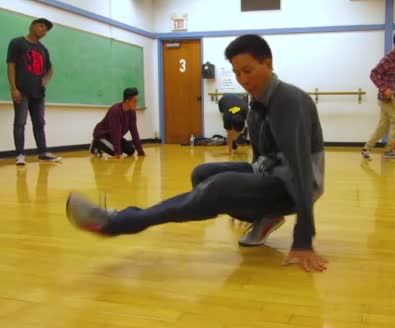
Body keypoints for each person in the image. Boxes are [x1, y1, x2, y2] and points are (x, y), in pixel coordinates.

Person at [66, 34, 328, 272]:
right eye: (237, 74)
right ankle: (265, 215)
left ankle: (117, 222)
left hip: (293, 186)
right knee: (202, 174)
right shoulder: (256, 101)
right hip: (271, 173)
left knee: (220, 187)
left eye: (248, 70)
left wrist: (303, 238)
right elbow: (259, 157)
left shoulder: (288, 101)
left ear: (268, 63)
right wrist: (249, 191)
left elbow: (302, 170)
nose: (243, 80)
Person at [7, 18, 62, 165]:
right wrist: (13, 88)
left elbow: (50, 69)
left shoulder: (43, 50)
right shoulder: (17, 43)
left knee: (39, 123)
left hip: (38, 93)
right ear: (32, 26)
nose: (43, 30)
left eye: (46, 29)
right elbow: (11, 65)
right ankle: (20, 155)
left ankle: (43, 153)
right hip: (21, 91)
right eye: (41, 26)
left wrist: (45, 80)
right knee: (20, 122)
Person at [362, 31, 395, 160]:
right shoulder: (388, 58)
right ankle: (389, 150)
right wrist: (384, 88)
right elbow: (373, 74)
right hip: (387, 98)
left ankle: (366, 148)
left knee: (383, 126)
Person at [89, 88, 145, 158]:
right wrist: (117, 153)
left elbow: (134, 131)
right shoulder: (115, 110)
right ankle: (96, 144)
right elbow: (115, 132)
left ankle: (111, 147)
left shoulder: (132, 112)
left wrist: (140, 151)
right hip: (102, 135)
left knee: (131, 151)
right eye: (134, 101)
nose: (136, 104)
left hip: (113, 136)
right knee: (118, 152)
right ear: (127, 101)